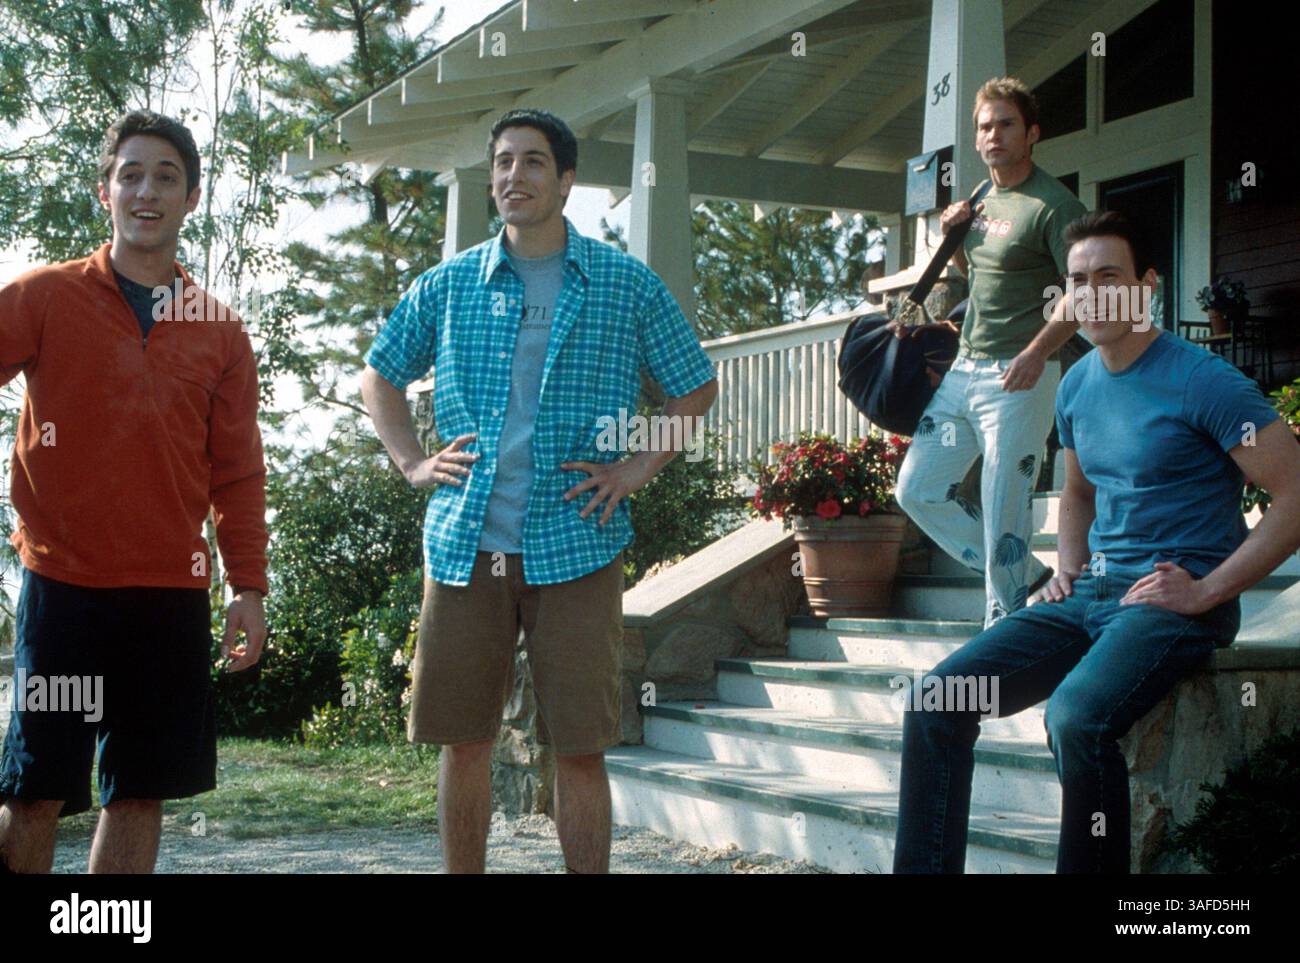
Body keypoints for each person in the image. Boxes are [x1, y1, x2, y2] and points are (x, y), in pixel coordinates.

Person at [361, 108, 717, 874]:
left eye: (531, 162)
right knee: (465, 741)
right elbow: (379, 373)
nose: (512, 176)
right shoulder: (450, 283)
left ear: (565, 179)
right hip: (465, 544)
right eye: (502, 163)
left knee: (581, 746)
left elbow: (693, 388)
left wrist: (633, 470)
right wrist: (413, 463)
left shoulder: (624, 283)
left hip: (578, 543)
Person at [892, 210, 1300, 873]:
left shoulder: (1207, 382)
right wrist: (1068, 568)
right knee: (938, 700)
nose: (1092, 293)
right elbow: (1078, 492)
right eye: (1077, 281)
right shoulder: (1077, 383)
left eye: (1108, 276)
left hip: (1169, 602)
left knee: (1077, 716)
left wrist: (1206, 589)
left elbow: (1295, 494)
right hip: (1093, 595)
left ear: (1148, 286)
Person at [0, 110, 269, 874]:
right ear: (104, 192)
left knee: (140, 793)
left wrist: (247, 583)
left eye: (167, 177)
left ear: (190, 199)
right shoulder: (45, 296)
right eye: (131, 174)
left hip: (168, 595)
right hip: (64, 589)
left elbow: (239, 471)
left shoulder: (220, 331)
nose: (146, 191)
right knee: (35, 791)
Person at [893, 77, 1088, 627]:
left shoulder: (1054, 205)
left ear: (1031, 134)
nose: (993, 135)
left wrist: (1036, 353)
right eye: (984, 126)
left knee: (1006, 508)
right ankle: (1025, 576)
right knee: (918, 490)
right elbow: (978, 277)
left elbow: (1082, 290)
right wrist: (952, 235)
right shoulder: (979, 199)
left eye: (1005, 124)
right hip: (965, 369)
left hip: (1020, 376)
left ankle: (1000, 630)